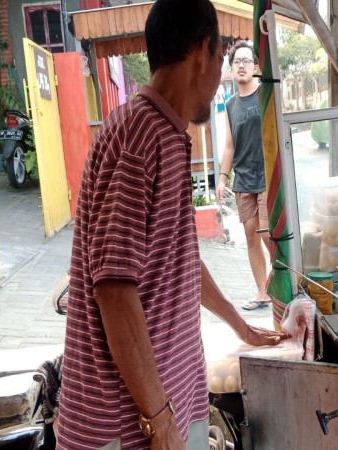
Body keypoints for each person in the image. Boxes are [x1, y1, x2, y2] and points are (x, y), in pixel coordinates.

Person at [56, 2, 287, 449]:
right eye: (220, 58)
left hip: (167, 404)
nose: (221, 74)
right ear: (201, 52)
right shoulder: (141, 137)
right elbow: (114, 290)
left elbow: (178, 262)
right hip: (126, 427)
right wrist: (159, 420)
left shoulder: (165, 133)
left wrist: (240, 326)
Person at [216, 40, 271, 310]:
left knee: (268, 235)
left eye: (246, 60)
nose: (241, 65)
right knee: (251, 236)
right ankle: (262, 292)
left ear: (256, 67)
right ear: (231, 68)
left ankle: (283, 285)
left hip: (267, 177)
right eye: (236, 61)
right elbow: (229, 146)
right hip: (243, 180)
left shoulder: (265, 95)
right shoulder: (230, 105)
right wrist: (222, 178)